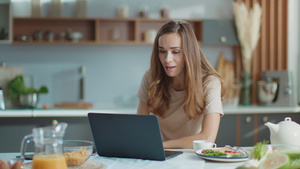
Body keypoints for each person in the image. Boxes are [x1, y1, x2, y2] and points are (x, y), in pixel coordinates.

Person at [136, 20, 225, 149]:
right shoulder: (151, 78)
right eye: (162, 51)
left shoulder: (209, 82)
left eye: (175, 52)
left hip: (191, 156)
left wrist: (159, 146)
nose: (167, 59)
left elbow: (207, 138)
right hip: (159, 155)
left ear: (189, 52)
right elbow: (140, 128)